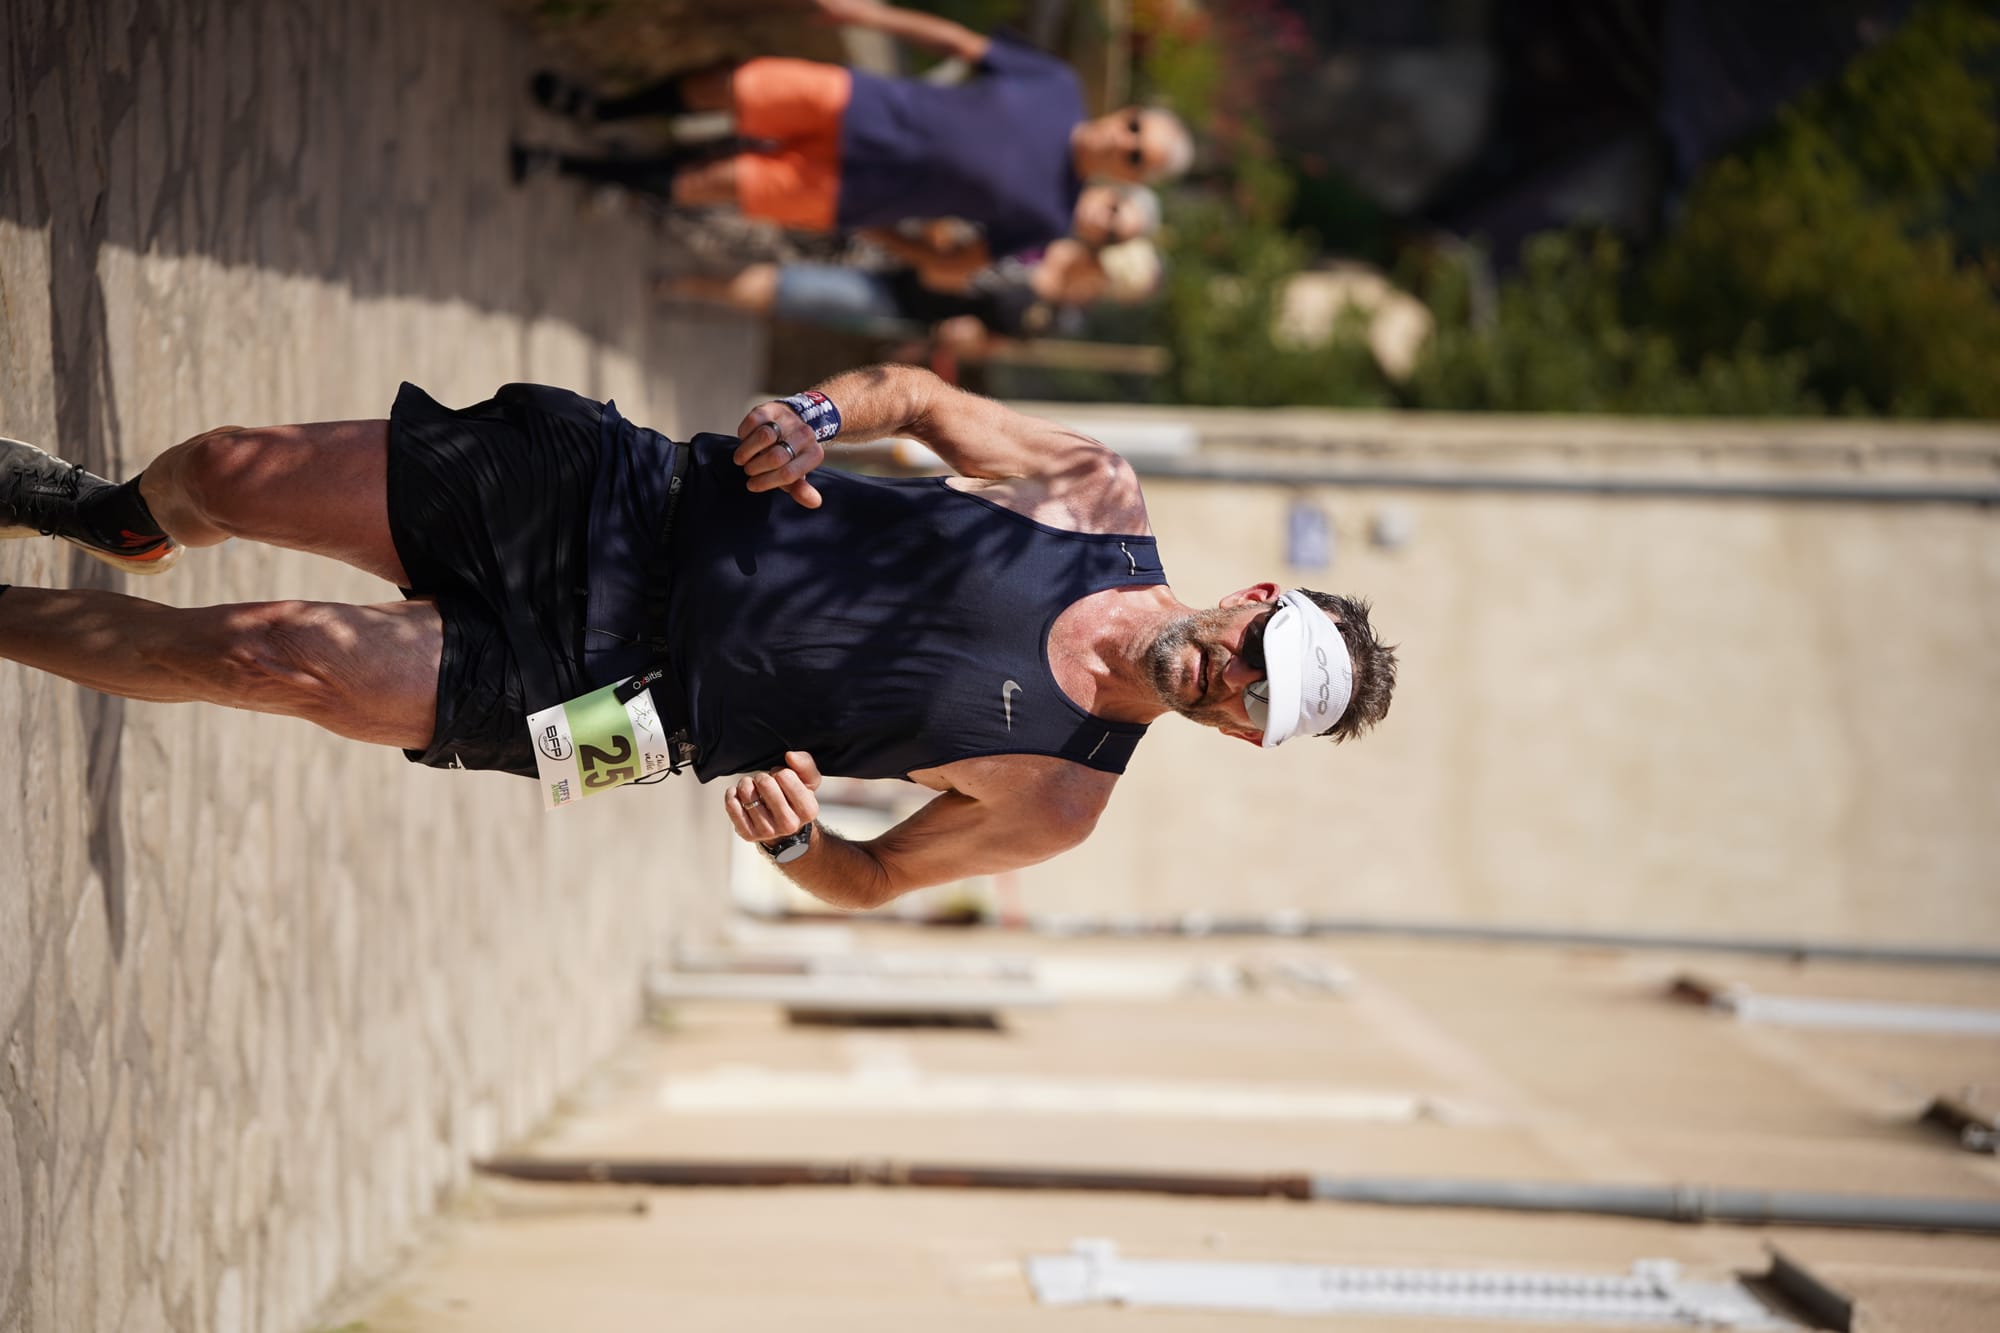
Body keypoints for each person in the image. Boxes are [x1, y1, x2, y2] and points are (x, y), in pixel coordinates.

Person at [0, 367, 1394, 907]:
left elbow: (869, 879)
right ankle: (124, 517)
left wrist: (796, 840)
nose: (1224, 685)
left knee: (267, 658)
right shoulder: (1091, 493)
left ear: (1236, 739)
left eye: (1246, 711)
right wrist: (821, 419)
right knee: (238, 473)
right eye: (1248, 660)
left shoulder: (1062, 797)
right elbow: (912, 393)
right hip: (635, 502)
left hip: (633, 714)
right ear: (1256, 598)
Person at [515, 0, 1194, 261]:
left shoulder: (1049, 214)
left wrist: (882, 234)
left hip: (850, 192)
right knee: (730, 86)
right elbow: (960, 42)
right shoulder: (1057, 86)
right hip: (861, 104)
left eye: (1137, 158)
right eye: (1136, 128)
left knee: (709, 183)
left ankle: (565, 164)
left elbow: (955, 267)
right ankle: (598, 110)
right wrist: (868, 15)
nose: (1125, 143)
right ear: (1123, 111)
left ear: (1129, 176)